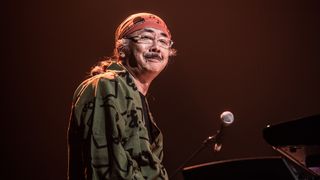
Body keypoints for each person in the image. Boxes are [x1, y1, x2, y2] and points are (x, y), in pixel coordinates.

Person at [67, 12, 176, 180]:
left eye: (163, 41)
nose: (156, 47)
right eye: (146, 38)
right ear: (122, 49)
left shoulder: (135, 96)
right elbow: (107, 168)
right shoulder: (107, 85)